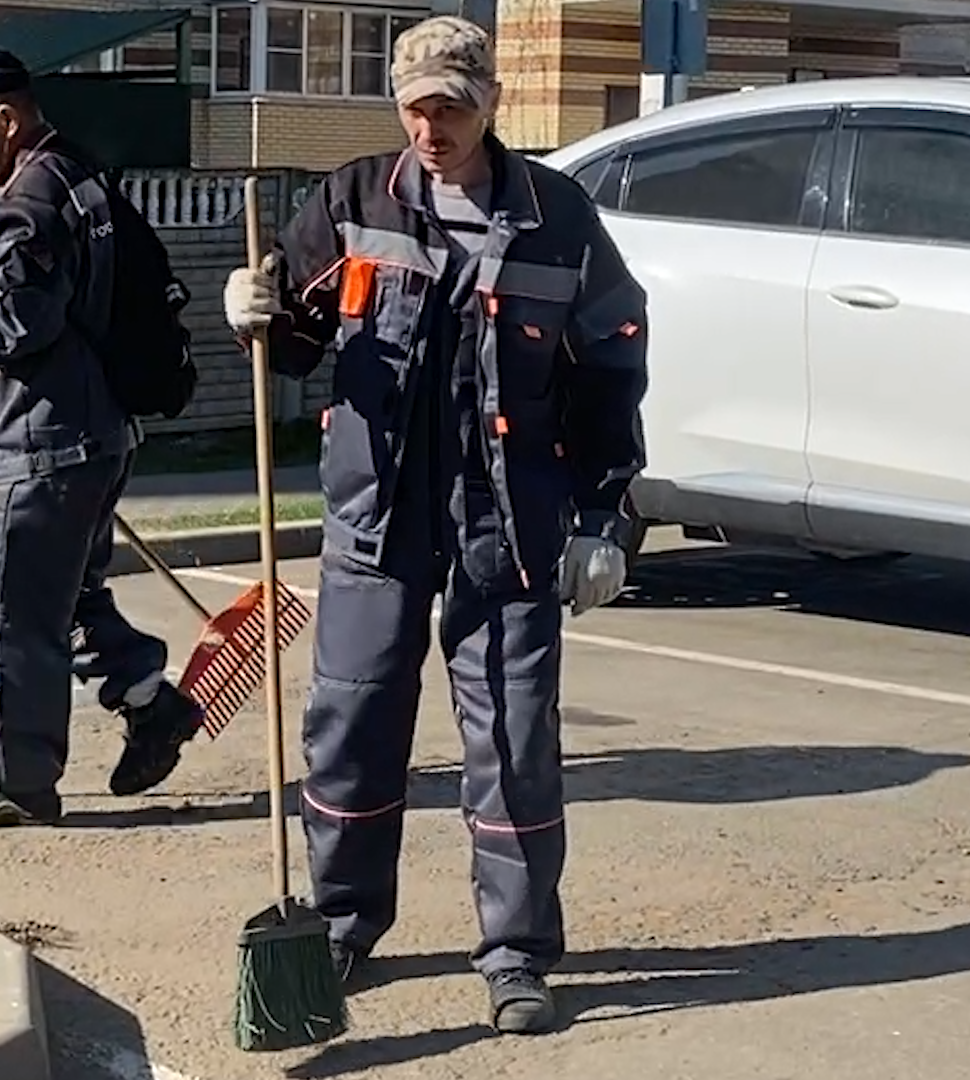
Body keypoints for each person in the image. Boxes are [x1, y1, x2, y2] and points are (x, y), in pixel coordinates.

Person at [220, 14, 649, 1036]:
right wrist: (255, 314)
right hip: (378, 512)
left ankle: (515, 955)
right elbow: (297, 335)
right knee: (354, 723)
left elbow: (614, 370)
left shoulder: (560, 218)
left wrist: (604, 517)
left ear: (488, 104)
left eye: (448, 108)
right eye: (414, 109)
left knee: (512, 735)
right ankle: (342, 920)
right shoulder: (354, 200)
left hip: (509, 519)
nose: (429, 128)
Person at [0, 40, 205, 828]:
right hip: (93, 432)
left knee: (5, 612)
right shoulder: (79, 175)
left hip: (44, 444)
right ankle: (151, 704)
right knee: (67, 596)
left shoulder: (31, 203)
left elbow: (7, 320)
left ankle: (15, 783)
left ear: (4, 117)